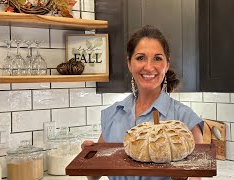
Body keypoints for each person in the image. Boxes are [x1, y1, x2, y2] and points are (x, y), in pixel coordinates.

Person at [82, 25, 204, 180]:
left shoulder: (186, 119)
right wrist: (87, 156)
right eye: (140, 58)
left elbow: (197, 177)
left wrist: (181, 177)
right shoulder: (114, 113)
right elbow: (94, 175)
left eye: (157, 58)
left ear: (166, 65)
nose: (148, 67)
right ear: (129, 64)